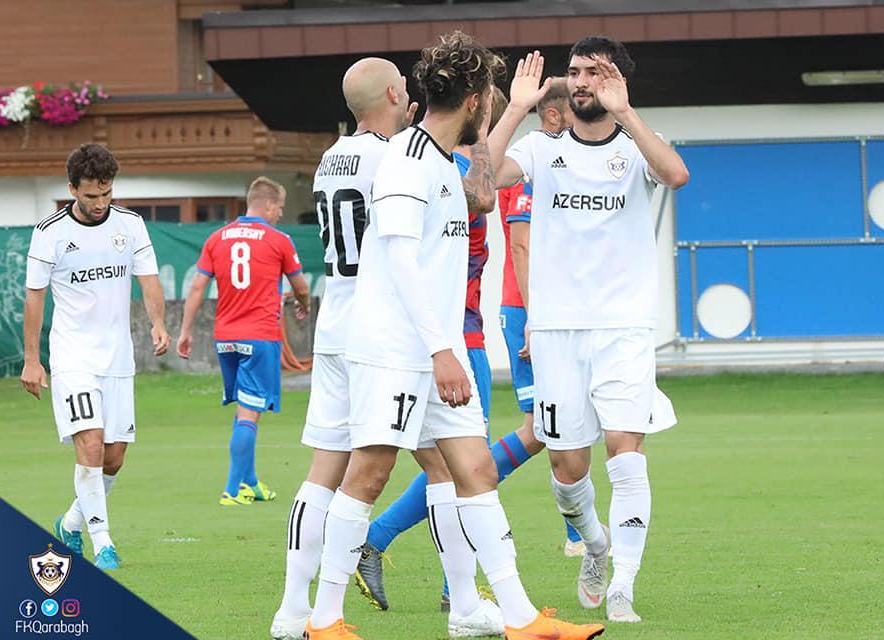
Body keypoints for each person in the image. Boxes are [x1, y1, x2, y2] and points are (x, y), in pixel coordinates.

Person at [303, 32, 603, 640]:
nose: (489, 106)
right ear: (473, 101)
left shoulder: (439, 160)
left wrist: (513, 108)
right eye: (488, 97)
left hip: (437, 350)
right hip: (394, 350)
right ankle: (323, 619)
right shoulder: (405, 162)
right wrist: (442, 351)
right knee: (368, 475)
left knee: (477, 472)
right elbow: (400, 262)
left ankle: (520, 618)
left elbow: (483, 196)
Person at [271, 57, 503, 640]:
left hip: (336, 324)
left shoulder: (332, 156)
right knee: (431, 466)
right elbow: (472, 198)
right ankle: (462, 603)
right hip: (385, 331)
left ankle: (292, 610)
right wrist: (494, 121)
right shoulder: (396, 157)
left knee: (325, 470)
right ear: (397, 95)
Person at [488, 38, 689, 623]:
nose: (580, 81)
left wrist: (626, 112)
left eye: (594, 73)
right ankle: (596, 545)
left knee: (625, 451)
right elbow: (481, 183)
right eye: (574, 72)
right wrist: (514, 107)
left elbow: (676, 174)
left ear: (618, 81)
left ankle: (624, 584)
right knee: (566, 467)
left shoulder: (637, 147)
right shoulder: (540, 149)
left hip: (623, 327)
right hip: (557, 331)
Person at [22, 143, 171, 570]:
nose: (100, 202)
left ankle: (70, 522)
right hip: (73, 356)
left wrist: (158, 323)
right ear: (72, 189)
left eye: (106, 193)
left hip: (118, 357)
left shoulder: (130, 225)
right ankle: (103, 543)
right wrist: (32, 360)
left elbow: (149, 279)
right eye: (91, 195)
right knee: (90, 441)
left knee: (114, 455)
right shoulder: (49, 232)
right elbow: (34, 298)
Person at [176, 177, 311, 506]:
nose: (280, 213)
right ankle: (233, 489)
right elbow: (302, 287)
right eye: (279, 207)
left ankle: (250, 482)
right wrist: (303, 304)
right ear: (268, 205)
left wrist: (185, 330)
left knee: (244, 410)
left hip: (225, 338)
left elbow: (197, 287)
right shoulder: (278, 239)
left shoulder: (217, 238)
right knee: (250, 413)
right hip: (259, 337)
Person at [496, 77, 587, 557]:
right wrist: (534, 315)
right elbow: (521, 244)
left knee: (561, 422)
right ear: (553, 116)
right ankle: (462, 485)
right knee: (542, 428)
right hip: (528, 311)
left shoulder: (564, 161)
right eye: (575, 109)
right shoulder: (532, 163)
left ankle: (579, 533)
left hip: (551, 311)